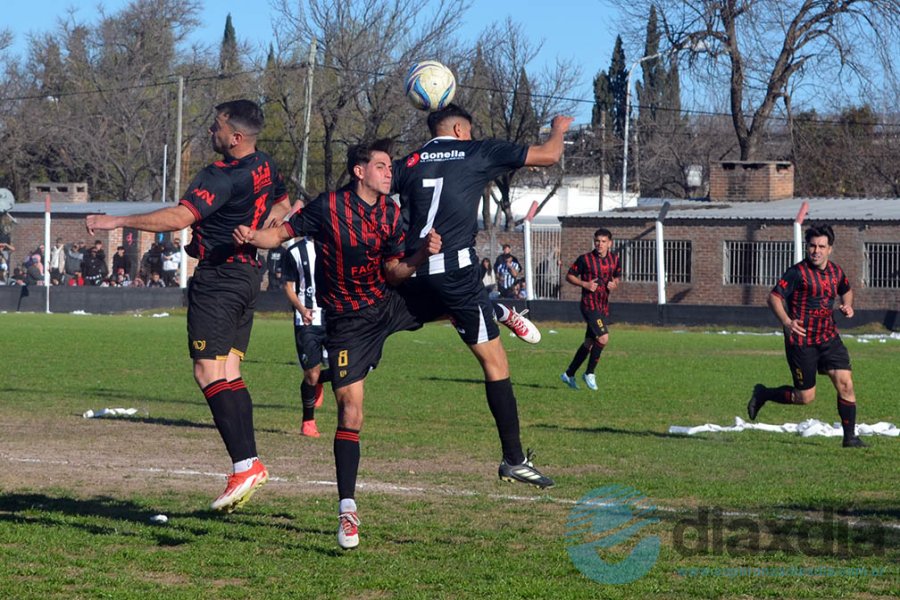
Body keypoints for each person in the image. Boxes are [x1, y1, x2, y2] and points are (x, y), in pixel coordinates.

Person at [234, 138, 442, 550]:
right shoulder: (329, 206)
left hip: (387, 302)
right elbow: (284, 233)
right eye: (382, 166)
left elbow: (395, 271)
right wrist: (255, 236)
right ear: (360, 171)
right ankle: (348, 509)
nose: (389, 173)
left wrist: (419, 258)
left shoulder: (392, 212)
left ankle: (497, 312)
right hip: (348, 323)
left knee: (453, 298)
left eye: (390, 167)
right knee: (351, 411)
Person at [86, 99, 292, 511]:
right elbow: (285, 203)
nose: (209, 133)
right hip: (249, 276)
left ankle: (244, 465)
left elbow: (179, 218)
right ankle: (249, 464)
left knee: (206, 371)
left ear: (235, 138)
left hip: (219, 278)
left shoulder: (220, 175)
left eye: (215, 128)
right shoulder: (266, 164)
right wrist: (266, 224)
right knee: (230, 370)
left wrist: (118, 221)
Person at [392, 103, 573, 491]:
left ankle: (493, 307)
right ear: (459, 129)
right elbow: (549, 155)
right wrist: (558, 129)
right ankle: (514, 459)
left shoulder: (405, 164)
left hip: (409, 273)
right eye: (469, 132)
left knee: (394, 325)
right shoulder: (476, 151)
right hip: (457, 276)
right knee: (495, 364)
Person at [747, 224, 865, 448]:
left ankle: (850, 438)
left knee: (846, 384)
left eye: (821, 246)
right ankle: (763, 394)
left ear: (830, 248)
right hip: (801, 342)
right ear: (807, 247)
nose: (816, 251)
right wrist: (787, 322)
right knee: (805, 397)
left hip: (829, 338)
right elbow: (773, 298)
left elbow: (846, 290)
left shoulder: (836, 271)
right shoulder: (797, 273)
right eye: (812, 246)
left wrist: (847, 305)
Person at [282, 234, 331, 438]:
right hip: (307, 320)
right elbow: (288, 286)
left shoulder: (334, 246)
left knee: (346, 368)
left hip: (333, 317)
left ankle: (319, 380)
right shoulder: (294, 252)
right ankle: (308, 422)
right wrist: (301, 309)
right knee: (311, 373)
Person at [561, 228, 621, 392]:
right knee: (603, 338)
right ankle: (589, 373)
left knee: (589, 342)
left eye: (603, 242)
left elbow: (616, 277)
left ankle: (569, 373)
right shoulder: (585, 259)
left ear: (610, 243)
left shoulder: (615, 259)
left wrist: (615, 284)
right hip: (589, 305)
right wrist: (585, 284)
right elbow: (569, 275)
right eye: (597, 241)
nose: (599, 244)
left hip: (603, 306)